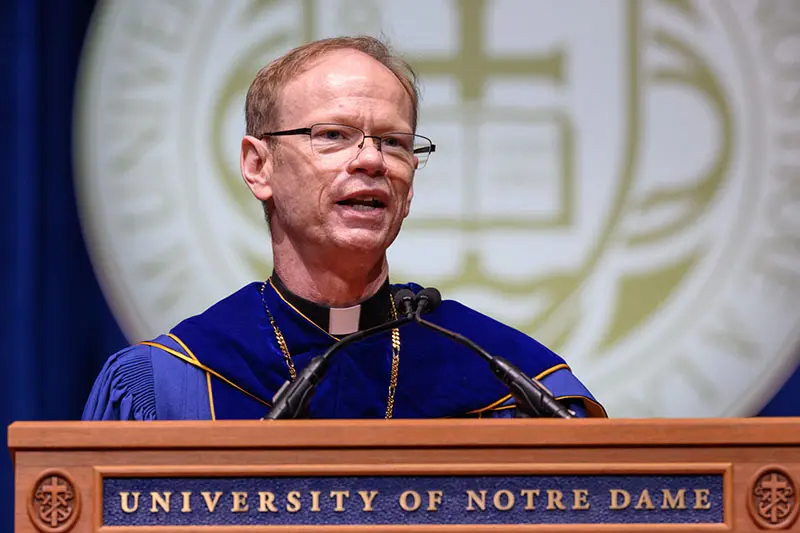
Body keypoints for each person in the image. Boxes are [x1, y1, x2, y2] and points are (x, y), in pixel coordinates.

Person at [83, 36, 606, 421]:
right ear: (258, 166)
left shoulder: (509, 381)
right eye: (334, 135)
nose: (372, 160)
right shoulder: (168, 387)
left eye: (395, 142)